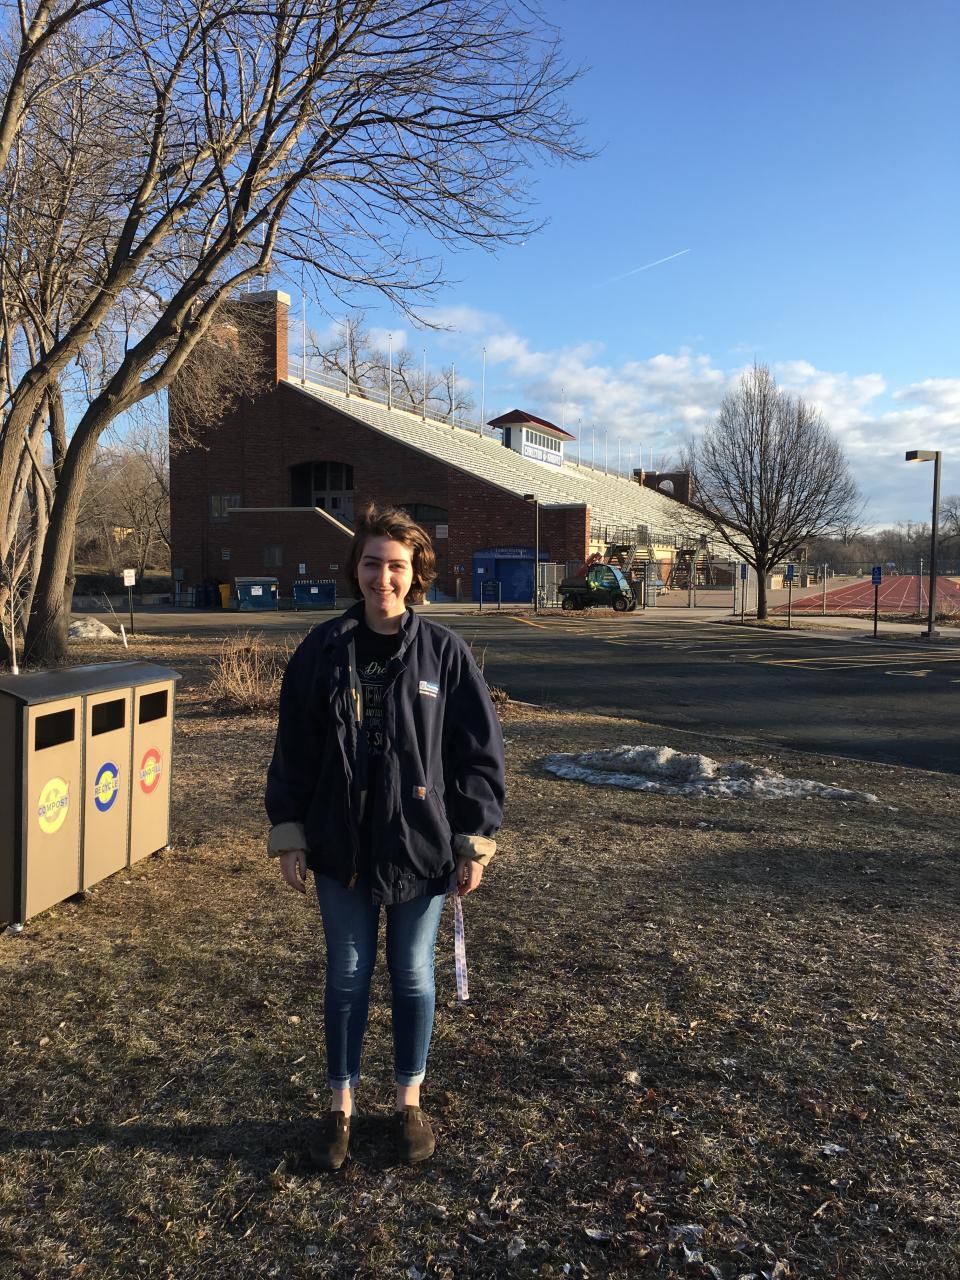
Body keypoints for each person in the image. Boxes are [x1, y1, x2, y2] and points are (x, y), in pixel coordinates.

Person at [266, 504, 505, 1169]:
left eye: (396, 565)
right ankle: (340, 1107)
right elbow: (294, 747)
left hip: (420, 844)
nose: (383, 578)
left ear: (415, 572)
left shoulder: (444, 653)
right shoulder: (321, 650)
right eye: (372, 564)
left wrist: (473, 837)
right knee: (346, 975)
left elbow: (477, 753)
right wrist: (290, 832)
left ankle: (408, 1102)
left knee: (412, 975)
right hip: (338, 841)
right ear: (357, 569)